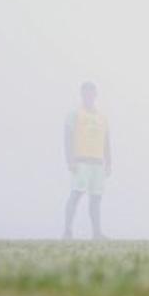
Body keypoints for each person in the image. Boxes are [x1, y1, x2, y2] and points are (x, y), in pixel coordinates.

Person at [63, 81, 111, 240]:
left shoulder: (102, 117)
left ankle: (97, 233)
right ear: (82, 94)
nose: (89, 96)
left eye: (92, 93)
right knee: (76, 194)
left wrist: (109, 162)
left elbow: (106, 140)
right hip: (81, 161)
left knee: (96, 198)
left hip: (97, 162)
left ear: (95, 95)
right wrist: (69, 159)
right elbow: (67, 137)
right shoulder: (74, 114)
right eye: (86, 93)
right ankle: (67, 231)